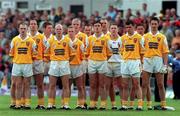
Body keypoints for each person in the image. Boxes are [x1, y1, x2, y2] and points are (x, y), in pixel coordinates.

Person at [142, 17, 169, 110]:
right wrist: (141, 63)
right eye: (152, 24)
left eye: (155, 24)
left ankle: (163, 104)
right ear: (150, 24)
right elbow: (141, 51)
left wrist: (165, 65)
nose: (153, 25)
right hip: (147, 60)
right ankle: (140, 105)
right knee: (145, 84)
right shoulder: (145, 37)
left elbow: (165, 52)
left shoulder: (162, 37)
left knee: (160, 84)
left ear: (158, 24)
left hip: (158, 60)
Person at [9, 22, 36, 109]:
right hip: (17, 64)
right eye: (21, 28)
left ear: (27, 29)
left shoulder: (31, 41)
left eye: (24, 28)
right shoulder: (14, 40)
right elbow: (11, 54)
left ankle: (27, 104)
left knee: (27, 84)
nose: (23, 30)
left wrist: (29, 62)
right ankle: (17, 104)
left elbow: (34, 55)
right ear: (18, 29)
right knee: (18, 84)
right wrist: (16, 61)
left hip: (27, 64)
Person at [45, 24, 72, 110]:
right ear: (54, 30)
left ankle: (66, 104)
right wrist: (52, 60)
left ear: (62, 30)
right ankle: (50, 104)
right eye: (57, 29)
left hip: (64, 63)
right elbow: (46, 52)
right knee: (52, 85)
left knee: (66, 85)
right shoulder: (50, 40)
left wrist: (67, 60)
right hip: (54, 63)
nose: (58, 30)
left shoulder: (67, 40)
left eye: (60, 29)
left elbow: (73, 53)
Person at [120, 20, 143, 110]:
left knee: (136, 84)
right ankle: (124, 105)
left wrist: (141, 62)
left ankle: (140, 105)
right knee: (125, 85)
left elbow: (142, 51)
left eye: (130, 27)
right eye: (127, 27)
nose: (128, 29)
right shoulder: (122, 38)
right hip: (125, 62)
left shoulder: (139, 37)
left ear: (133, 26)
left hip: (135, 62)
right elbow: (121, 50)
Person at [87, 20, 109, 110]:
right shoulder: (89, 39)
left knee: (102, 84)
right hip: (92, 62)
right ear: (93, 27)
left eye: (98, 26)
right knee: (92, 84)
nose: (97, 27)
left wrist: (103, 59)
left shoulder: (106, 38)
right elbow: (87, 51)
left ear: (101, 27)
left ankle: (103, 104)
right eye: (95, 26)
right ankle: (92, 104)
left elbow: (109, 53)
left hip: (102, 62)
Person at [71, 18, 88, 108]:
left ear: (80, 26)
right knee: (69, 84)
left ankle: (82, 103)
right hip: (70, 63)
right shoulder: (67, 36)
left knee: (82, 84)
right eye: (74, 24)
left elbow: (86, 49)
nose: (75, 26)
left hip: (81, 62)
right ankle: (65, 104)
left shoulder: (84, 36)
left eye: (77, 24)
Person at [68, 26, 86, 109]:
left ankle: (80, 104)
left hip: (77, 66)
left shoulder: (79, 43)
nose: (71, 32)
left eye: (72, 31)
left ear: (75, 32)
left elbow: (83, 55)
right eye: (69, 31)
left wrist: (79, 62)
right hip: (68, 66)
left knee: (80, 86)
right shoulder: (66, 41)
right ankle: (65, 104)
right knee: (67, 86)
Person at [29, 20, 45, 109]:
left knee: (40, 84)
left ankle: (41, 104)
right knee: (26, 84)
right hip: (28, 61)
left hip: (38, 61)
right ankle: (25, 103)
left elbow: (46, 49)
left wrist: (43, 58)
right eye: (31, 24)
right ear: (29, 26)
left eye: (34, 24)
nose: (33, 25)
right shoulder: (25, 36)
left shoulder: (41, 37)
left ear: (37, 26)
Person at [106, 23, 123, 110]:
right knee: (109, 85)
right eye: (112, 28)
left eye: (115, 28)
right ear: (109, 29)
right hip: (108, 63)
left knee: (121, 85)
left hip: (118, 63)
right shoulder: (106, 39)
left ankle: (123, 104)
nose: (113, 30)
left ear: (117, 29)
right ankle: (113, 104)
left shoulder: (121, 39)